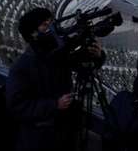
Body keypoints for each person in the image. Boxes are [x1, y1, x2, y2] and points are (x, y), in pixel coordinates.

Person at [6, 8, 102, 151]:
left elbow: (83, 65)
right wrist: (55, 104)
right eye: (45, 25)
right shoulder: (22, 67)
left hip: (61, 130)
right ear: (33, 34)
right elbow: (16, 106)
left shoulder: (57, 56)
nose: (51, 29)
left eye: (51, 24)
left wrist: (97, 56)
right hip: (37, 138)